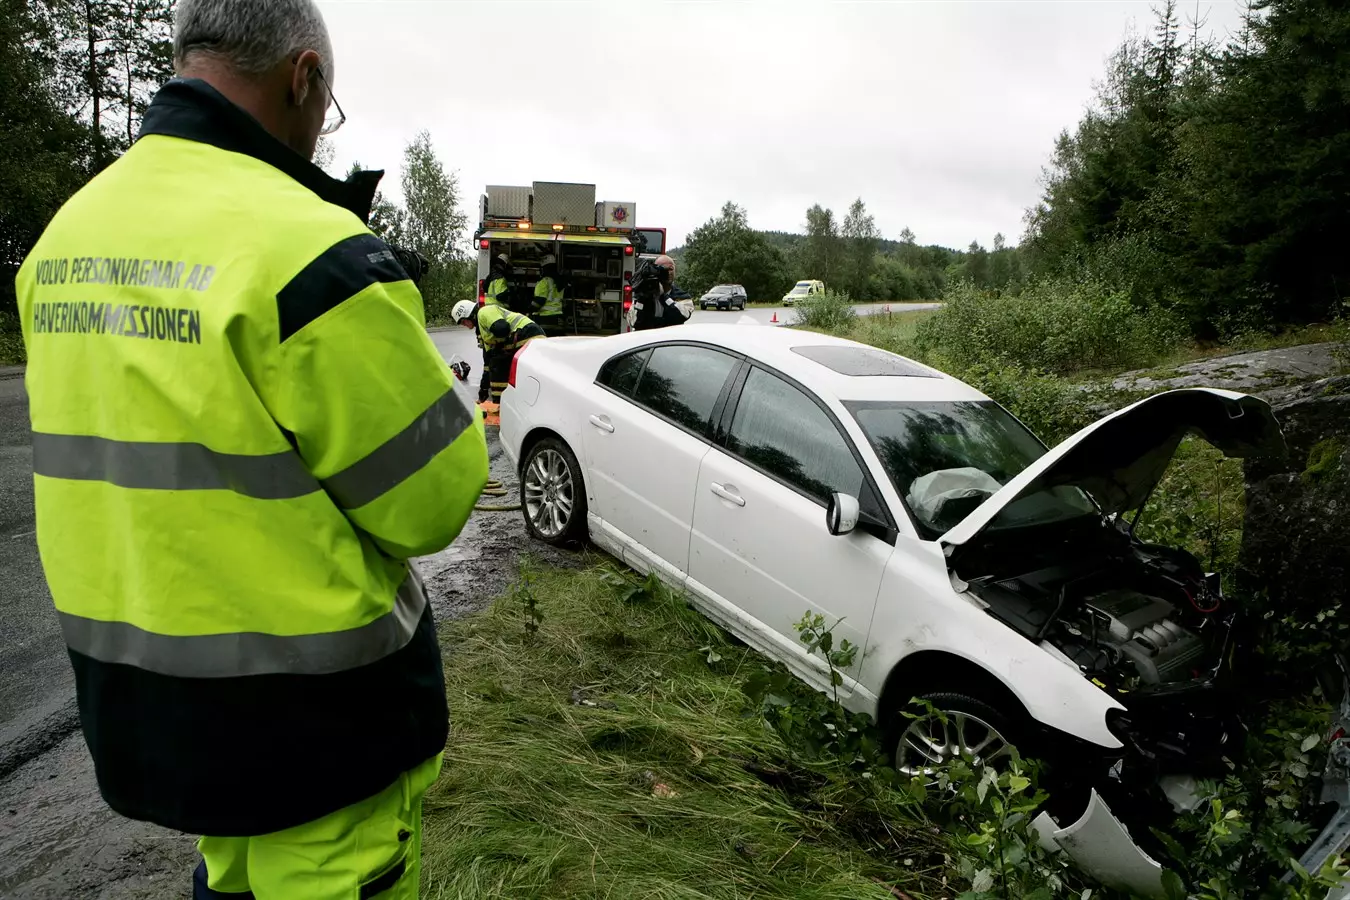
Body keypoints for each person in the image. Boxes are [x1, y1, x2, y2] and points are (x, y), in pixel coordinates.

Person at [13, 1, 491, 898]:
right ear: (302, 77)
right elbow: (431, 503)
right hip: (315, 735)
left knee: (225, 877)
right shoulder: (313, 250)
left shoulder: (63, 241)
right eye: (326, 108)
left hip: (154, 715)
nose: (320, 135)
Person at [451, 299, 545, 404]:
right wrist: (483, 390)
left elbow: (502, 328)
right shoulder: (482, 330)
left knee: (498, 365)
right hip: (525, 338)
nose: (465, 326)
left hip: (528, 334)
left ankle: (500, 404)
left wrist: (497, 347)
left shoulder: (484, 312)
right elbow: (487, 363)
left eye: (464, 321)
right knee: (496, 365)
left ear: (470, 315)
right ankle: (503, 403)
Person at [631, 254, 693, 330]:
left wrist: (664, 296)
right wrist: (642, 299)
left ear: (675, 270)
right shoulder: (643, 295)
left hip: (669, 340)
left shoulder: (682, 296)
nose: (668, 273)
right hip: (648, 339)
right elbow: (633, 322)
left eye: (670, 269)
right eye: (663, 270)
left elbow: (681, 316)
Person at [531, 253, 566, 334]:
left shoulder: (544, 281)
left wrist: (529, 310)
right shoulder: (560, 281)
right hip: (558, 319)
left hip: (544, 320)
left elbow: (539, 301)